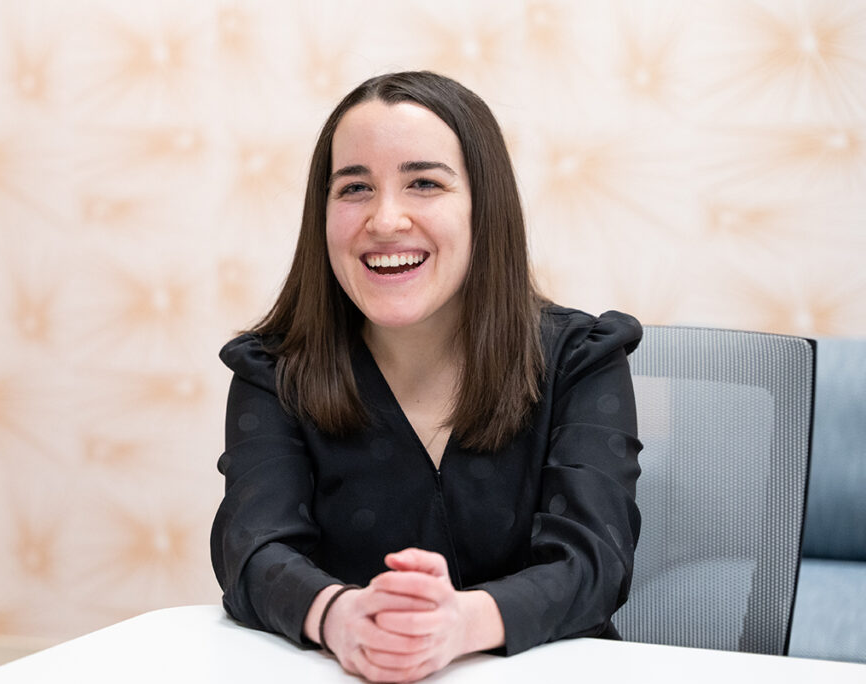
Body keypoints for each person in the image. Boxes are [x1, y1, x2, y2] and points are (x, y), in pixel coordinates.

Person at [210, 71, 642, 683]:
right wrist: (341, 615)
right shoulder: (276, 370)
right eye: (354, 187)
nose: (386, 220)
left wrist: (458, 625)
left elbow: (595, 560)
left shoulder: (581, 357)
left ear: (482, 208)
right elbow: (251, 551)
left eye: (424, 183)